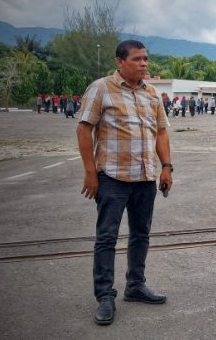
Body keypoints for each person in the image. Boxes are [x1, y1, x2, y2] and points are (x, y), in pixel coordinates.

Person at [76, 39, 173, 326]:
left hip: (145, 178)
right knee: (107, 238)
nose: (144, 64)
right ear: (120, 61)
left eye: (146, 58)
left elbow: (162, 133)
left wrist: (166, 167)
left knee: (141, 234)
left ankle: (135, 286)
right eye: (137, 59)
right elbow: (83, 130)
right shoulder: (101, 88)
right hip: (113, 179)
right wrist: (91, 173)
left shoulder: (152, 93)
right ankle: (105, 296)